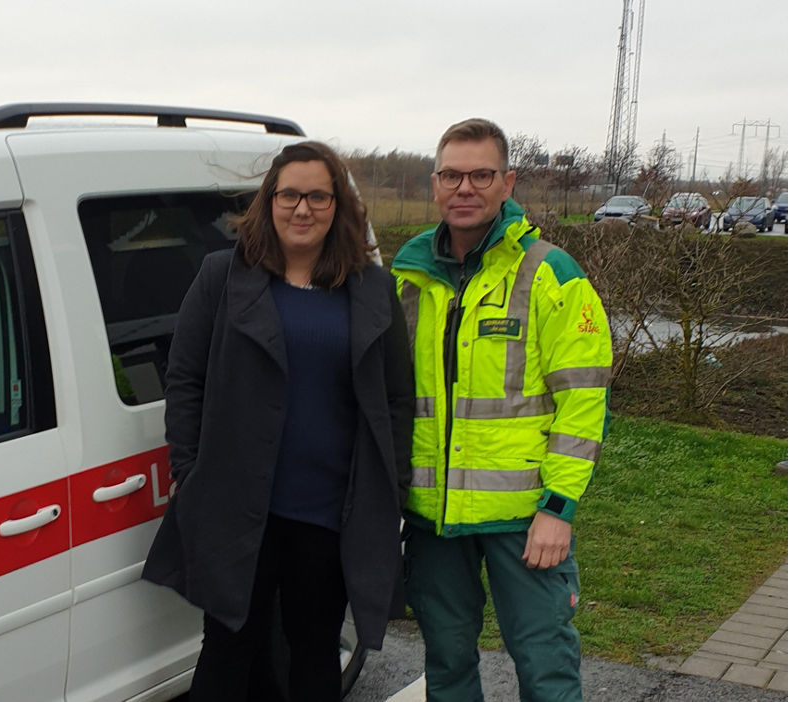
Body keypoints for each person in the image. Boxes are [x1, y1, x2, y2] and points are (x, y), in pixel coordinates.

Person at [142, 141, 413, 701]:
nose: (302, 208)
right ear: (269, 201)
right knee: (226, 651)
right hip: (239, 510)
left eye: (317, 195)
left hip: (328, 516)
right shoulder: (223, 277)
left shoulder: (370, 290)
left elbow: (395, 400)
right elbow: (185, 378)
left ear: (338, 206)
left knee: (313, 653)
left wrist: (392, 484)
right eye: (289, 194)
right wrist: (188, 470)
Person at [389, 118, 612, 702]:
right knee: (447, 663)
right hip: (434, 517)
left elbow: (584, 402)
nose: (466, 188)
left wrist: (558, 509)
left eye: (481, 175)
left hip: (525, 520)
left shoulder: (550, 274)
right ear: (435, 184)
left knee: (546, 667)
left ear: (507, 182)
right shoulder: (407, 279)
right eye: (452, 175)